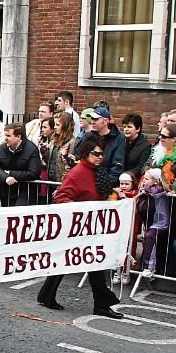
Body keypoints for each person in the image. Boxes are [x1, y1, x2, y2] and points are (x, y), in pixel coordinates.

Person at [36, 134, 123, 318]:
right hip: (77, 228)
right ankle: (49, 296)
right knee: (75, 263)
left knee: (93, 265)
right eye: (96, 153)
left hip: (92, 228)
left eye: (102, 154)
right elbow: (61, 197)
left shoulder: (97, 171)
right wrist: (81, 211)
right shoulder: (77, 173)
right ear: (86, 153)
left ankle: (49, 296)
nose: (100, 157)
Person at [0, 123, 42, 206]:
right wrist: (6, 177)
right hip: (6, 191)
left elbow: (33, 172)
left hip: (26, 191)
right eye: (5, 135)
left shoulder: (31, 149)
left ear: (18, 137)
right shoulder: (2, 149)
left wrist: (11, 173)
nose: (5, 139)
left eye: (8, 136)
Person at [81, 106, 124, 187]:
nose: (92, 122)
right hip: (86, 182)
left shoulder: (118, 138)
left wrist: (105, 185)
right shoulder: (87, 136)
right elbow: (81, 158)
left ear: (106, 121)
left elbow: (117, 166)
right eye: (91, 119)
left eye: (96, 119)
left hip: (105, 184)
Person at [122, 114, 151, 178]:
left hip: (133, 178)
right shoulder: (121, 141)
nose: (126, 129)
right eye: (124, 127)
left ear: (138, 129)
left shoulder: (145, 146)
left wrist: (127, 175)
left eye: (129, 127)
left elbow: (141, 166)